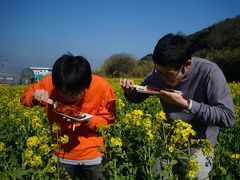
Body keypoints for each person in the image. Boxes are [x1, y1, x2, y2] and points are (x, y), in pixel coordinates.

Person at [120, 33, 235, 179]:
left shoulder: (210, 72)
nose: (162, 78)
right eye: (158, 71)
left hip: (199, 147)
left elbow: (228, 117)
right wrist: (129, 92)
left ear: (187, 64)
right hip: (167, 142)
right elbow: (137, 97)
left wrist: (186, 104)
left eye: (169, 75)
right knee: (157, 176)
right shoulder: (158, 74)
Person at [21, 54, 116, 180]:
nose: (68, 98)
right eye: (63, 92)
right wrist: (34, 97)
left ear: (87, 86)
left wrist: (88, 120)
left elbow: (109, 121)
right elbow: (24, 98)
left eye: (75, 93)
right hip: (60, 154)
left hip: (94, 155)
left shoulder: (102, 87)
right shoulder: (50, 83)